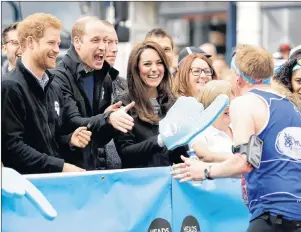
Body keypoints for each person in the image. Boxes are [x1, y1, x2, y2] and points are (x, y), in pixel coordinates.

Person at [172, 44, 301, 231]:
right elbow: (257, 159)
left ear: (238, 77)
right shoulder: (291, 106)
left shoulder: (245, 103)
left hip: (273, 215)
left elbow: (244, 163)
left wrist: (205, 170)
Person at [1, 13, 91, 174]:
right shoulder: (10, 87)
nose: (57, 50)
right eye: (51, 43)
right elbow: (12, 148)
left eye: (58, 43)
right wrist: (61, 167)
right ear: (30, 43)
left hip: (52, 185)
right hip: (26, 191)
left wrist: (69, 140)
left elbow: (52, 137)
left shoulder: (53, 86)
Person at [52, 16, 135, 170]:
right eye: (96, 40)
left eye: (106, 41)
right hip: (65, 172)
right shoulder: (59, 77)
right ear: (77, 42)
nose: (104, 47)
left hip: (91, 170)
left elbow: (98, 138)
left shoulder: (104, 76)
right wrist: (107, 118)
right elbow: (73, 121)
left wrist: (112, 123)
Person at [114, 41, 188, 168]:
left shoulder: (173, 102)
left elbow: (179, 154)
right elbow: (125, 152)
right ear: (136, 68)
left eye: (159, 63)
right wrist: (159, 140)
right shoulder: (124, 103)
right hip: (140, 182)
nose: (154, 69)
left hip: (170, 180)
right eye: (147, 64)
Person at [190, 80, 233, 162]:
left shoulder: (239, 127)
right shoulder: (198, 133)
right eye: (225, 103)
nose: (229, 106)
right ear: (209, 106)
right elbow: (206, 156)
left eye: (232, 102)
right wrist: (241, 159)